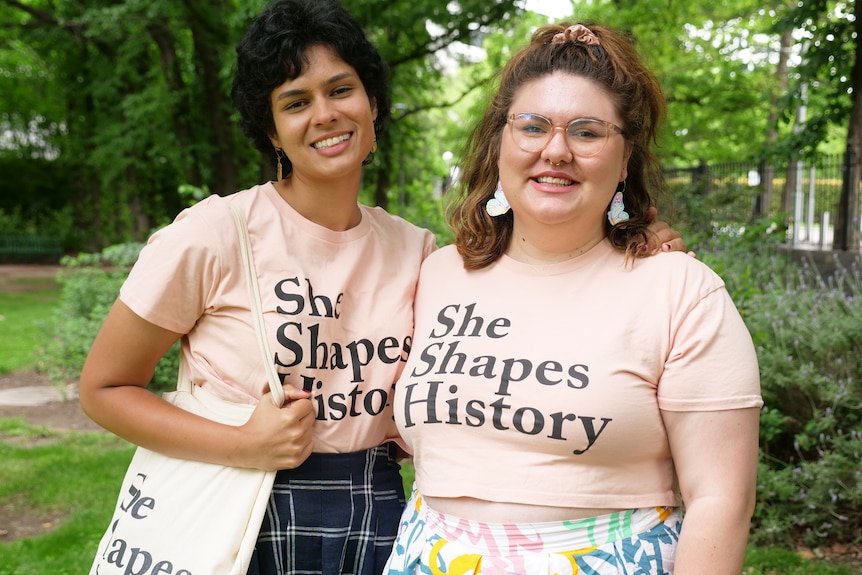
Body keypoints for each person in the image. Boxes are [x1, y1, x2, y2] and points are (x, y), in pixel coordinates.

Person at [79, 2, 690, 573]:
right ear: (270, 131)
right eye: (295, 102)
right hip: (243, 503)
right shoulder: (215, 233)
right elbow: (104, 388)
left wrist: (630, 241)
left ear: (372, 103)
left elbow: (531, 289)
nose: (325, 114)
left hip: (380, 511)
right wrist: (240, 444)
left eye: (341, 90)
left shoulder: (419, 253)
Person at [385, 22, 762, 575]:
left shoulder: (679, 290)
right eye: (532, 126)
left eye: (587, 132)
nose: (555, 150)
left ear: (624, 159)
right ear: (499, 145)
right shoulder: (437, 273)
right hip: (428, 554)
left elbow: (721, 501)